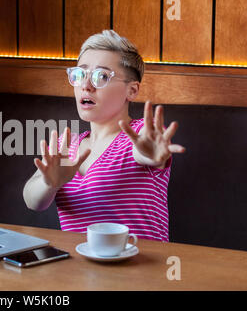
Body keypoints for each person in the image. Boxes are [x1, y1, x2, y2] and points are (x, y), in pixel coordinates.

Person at [22, 30, 186, 242]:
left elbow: (148, 152)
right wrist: (50, 184)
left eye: (101, 76)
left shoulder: (140, 134)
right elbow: (32, 201)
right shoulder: (66, 144)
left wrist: (153, 154)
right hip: (77, 270)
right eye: (80, 75)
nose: (86, 86)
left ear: (132, 90)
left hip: (141, 271)